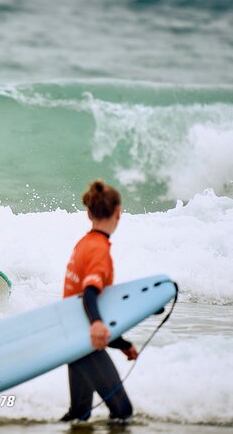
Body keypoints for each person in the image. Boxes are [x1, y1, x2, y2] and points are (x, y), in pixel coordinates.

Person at [60, 180, 138, 423]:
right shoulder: (99, 249)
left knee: (79, 414)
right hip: (85, 344)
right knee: (122, 411)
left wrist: (121, 343)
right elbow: (90, 294)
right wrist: (96, 325)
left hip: (73, 337)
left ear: (89, 213)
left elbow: (83, 305)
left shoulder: (83, 244)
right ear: (118, 214)